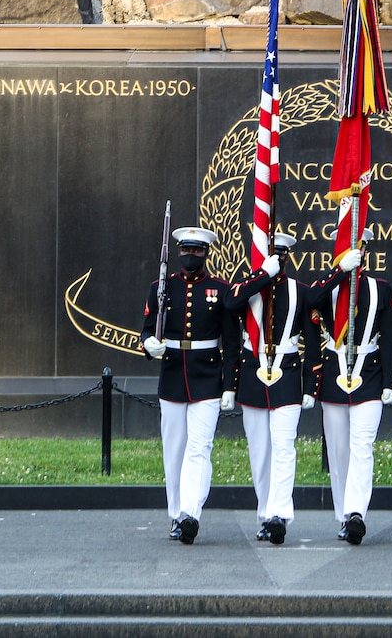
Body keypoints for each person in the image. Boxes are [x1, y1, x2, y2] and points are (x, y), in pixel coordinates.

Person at [141, 226, 240, 545]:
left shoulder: (219, 289)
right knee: (174, 451)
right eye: (185, 251)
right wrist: (149, 344)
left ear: (206, 253)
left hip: (207, 376)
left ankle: (190, 514)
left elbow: (231, 341)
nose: (190, 257)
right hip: (172, 374)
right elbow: (145, 330)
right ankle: (175, 514)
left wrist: (229, 385)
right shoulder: (161, 287)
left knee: (200, 448)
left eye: (197, 252)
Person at [224, 233, 319, 545]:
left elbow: (312, 341)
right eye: (271, 254)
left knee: (284, 446)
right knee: (259, 451)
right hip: (253, 374)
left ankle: (279, 514)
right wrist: (262, 275)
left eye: (281, 255)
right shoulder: (249, 288)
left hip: (287, 373)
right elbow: (231, 303)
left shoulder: (300, 292)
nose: (277, 259)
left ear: (289, 257)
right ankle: (265, 513)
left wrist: (311, 384)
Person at [307, 228, 392, 545]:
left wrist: (390, 382)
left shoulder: (380, 289)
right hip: (333, 372)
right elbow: (310, 299)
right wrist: (339, 271)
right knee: (339, 450)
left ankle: (356, 513)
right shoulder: (329, 286)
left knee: (362, 446)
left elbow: (389, 339)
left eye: (359, 248)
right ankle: (344, 513)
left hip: (369, 373)